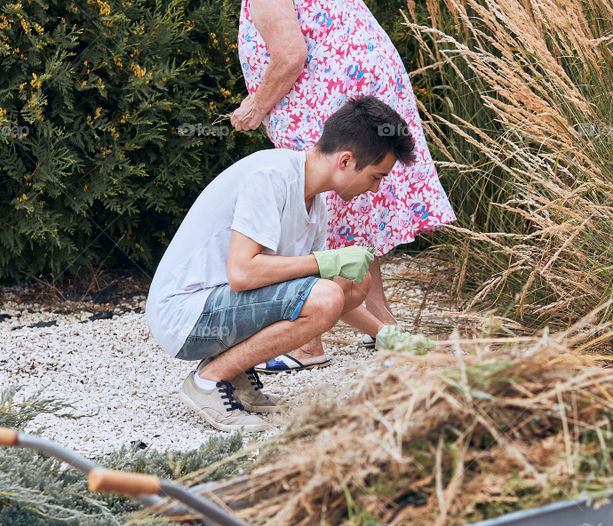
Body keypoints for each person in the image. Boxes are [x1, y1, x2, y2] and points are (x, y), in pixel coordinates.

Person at [179, 0, 455, 371]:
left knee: (326, 219)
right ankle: (385, 334)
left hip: (328, 105)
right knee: (355, 221)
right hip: (364, 95)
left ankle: (309, 343)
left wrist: (255, 107)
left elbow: (288, 55)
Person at [145, 97, 415, 432]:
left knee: (353, 284)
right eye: (376, 177)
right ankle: (208, 381)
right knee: (327, 293)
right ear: (346, 160)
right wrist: (323, 261)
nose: (375, 188)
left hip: (216, 307)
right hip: (184, 315)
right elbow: (242, 274)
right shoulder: (271, 176)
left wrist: (385, 333)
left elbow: (322, 294)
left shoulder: (315, 204)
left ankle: (236, 379)